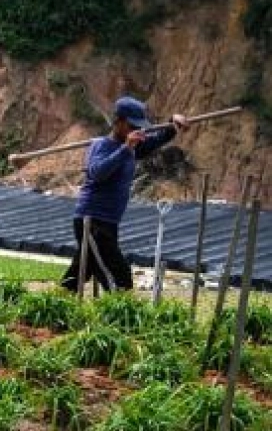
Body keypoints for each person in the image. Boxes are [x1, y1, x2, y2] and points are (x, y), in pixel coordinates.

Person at [60, 95, 189, 293]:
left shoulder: (132, 149)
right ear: (118, 122)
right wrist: (125, 148)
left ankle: (53, 308)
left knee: (80, 271)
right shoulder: (101, 145)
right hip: (92, 220)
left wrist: (173, 125)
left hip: (109, 222)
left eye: (138, 127)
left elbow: (154, 142)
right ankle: (118, 318)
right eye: (131, 126)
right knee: (119, 278)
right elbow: (97, 172)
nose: (135, 131)